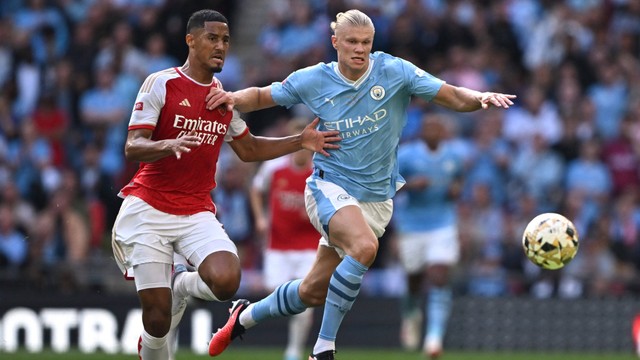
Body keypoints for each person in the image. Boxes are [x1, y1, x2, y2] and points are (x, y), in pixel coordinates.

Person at [206, 9, 515, 360]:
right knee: (365, 248)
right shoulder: (315, 79)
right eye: (351, 42)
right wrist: (232, 98)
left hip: (377, 200)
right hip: (328, 186)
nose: (359, 49)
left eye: (365, 43)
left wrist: (480, 98)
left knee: (310, 292)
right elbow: (264, 95)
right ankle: (323, 348)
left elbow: (451, 95)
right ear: (335, 42)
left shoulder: (394, 71)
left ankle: (242, 317)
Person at [110, 9, 339, 360]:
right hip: (149, 207)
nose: (221, 46)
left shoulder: (223, 100)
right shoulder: (162, 83)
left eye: (226, 40)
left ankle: (183, 285)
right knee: (156, 319)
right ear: (191, 40)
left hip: (195, 209)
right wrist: (165, 145)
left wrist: (300, 140)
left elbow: (248, 150)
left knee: (227, 280)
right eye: (212, 38)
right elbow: (132, 146)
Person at [393, 114, 463, 358]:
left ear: (443, 132)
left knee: (439, 275)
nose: (433, 132)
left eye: (437, 128)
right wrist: (411, 185)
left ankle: (434, 339)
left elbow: (458, 180)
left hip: (443, 224)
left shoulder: (454, 156)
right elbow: (388, 183)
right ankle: (411, 312)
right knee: (415, 278)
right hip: (412, 225)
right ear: (422, 132)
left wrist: (456, 190)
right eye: (428, 128)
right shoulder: (408, 155)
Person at [249, 118, 320, 360]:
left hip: (309, 245)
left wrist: (314, 211)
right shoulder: (274, 168)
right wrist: (260, 218)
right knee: (276, 296)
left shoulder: (320, 171)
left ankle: (293, 350)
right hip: (277, 244)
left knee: (304, 299)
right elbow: (256, 190)